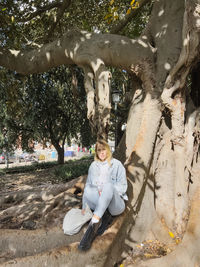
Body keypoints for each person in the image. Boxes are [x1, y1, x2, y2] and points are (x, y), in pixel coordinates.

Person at [78, 139, 128, 251]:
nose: (101, 152)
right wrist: (84, 207)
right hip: (100, 202)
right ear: (96, 152)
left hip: (116, 204)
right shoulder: (93, 166)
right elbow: (88, 188)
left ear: (108, 150)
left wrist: (106, 192)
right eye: (99, 150)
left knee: (108, 186)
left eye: (103, 149)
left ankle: (94, 221)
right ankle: (102, 219)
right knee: (88, 189)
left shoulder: (117, 164)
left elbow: (123, 186)